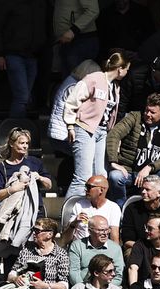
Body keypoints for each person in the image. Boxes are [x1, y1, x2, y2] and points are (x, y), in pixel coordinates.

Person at [63, 51, 131, 199]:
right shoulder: (94, 78)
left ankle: (92, 210)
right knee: (83, 177)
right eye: (127, 69)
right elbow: (72, 101)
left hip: (102, 132)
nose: (127, 73)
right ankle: (68, 215)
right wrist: (70, 125)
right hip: (84, 128)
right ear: (120, 68)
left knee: (101, 175)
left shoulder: (115, 87)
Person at [104, 93, 160, 204]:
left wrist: (149, 167)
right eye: (146, 110)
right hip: (130, 172)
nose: (147, 114)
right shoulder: (134, 117)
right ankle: (121, 210)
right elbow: (114, 134)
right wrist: (113, 161)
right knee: (115, 176)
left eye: (153, 112)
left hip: (155, 174)